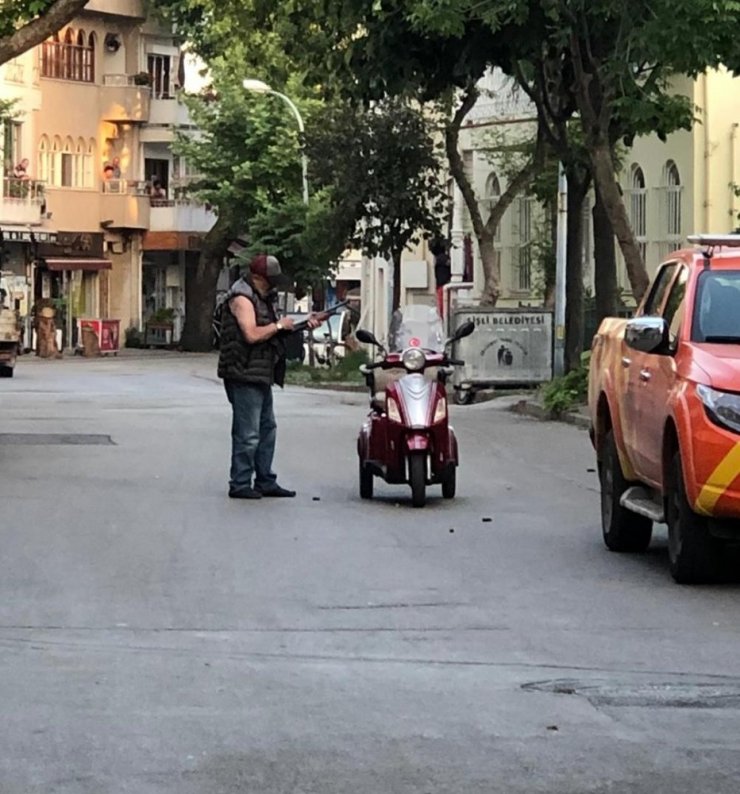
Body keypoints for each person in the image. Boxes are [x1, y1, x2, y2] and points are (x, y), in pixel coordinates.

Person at [217, 254, 321, 500]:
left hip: (260, 371)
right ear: (256, 277)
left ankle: (264, 480)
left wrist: (303, 324)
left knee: (266, 429)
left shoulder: (263, 297)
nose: (273, 284)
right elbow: (252, 334)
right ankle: (240, 483)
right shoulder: (241, 298)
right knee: (248, 433)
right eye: (269, 279)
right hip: (243, 372)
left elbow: (273, 332)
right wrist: (280, 326)